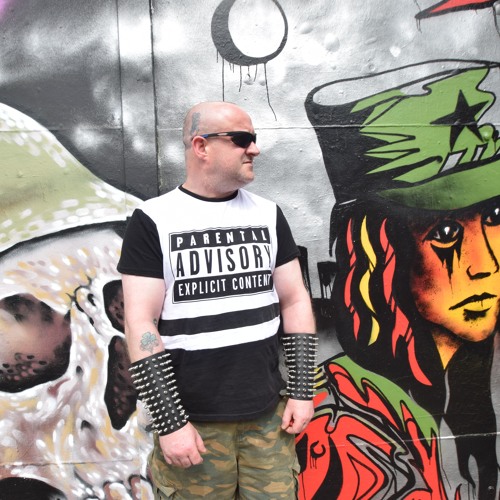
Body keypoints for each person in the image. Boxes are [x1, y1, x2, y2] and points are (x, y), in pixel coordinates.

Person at [297, 61, 500, 499]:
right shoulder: (343, 425)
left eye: (494, 217)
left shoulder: (467, 379)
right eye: (445, 234)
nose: (484, 265)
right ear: (381, 255)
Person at [117, 101, 317, 499]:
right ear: (201, 146)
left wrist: (302, 390)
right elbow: (140, 323)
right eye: (241, 139)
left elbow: (295, 301)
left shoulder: (268, 215)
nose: (254, 149)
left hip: (270, 421)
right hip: (193, 425)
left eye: (254, 139)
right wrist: (170, 422)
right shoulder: (154, 220)